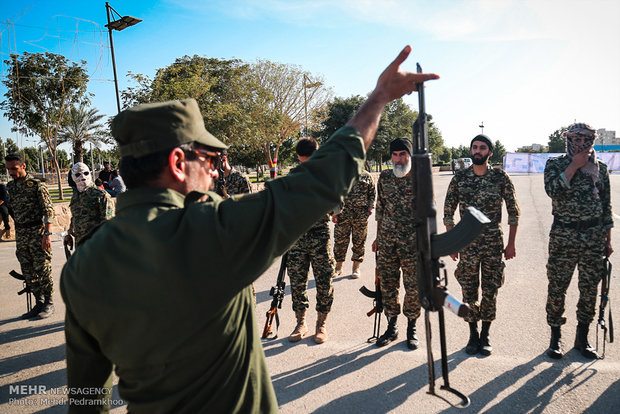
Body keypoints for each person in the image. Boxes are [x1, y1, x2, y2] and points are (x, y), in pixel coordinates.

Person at [60, 46, 439, 412]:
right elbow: (321, 180)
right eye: (208, 158)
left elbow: (86, 394)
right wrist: (379, 98)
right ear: (178, 162)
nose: (214, 170)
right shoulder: (211, 231)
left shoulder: (83, 264)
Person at [443, 135, 519, 356]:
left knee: (490, 289)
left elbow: (514, 211)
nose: (477, 151)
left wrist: (511, 244)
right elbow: (448, 212)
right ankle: (472, 333)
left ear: (490, 152)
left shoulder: (500, 177)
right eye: (474, 147)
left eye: (482, 148)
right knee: (468, 289)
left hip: (493, 243)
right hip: (466, 244)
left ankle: (485, 334)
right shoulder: (460, 178)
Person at [544, 123, 614, 360]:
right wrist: (574, 166)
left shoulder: (601, 169)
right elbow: (553, 190)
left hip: (593, 237)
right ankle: (555, 338)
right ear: (569, 141)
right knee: (557, 287)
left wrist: (608, 240)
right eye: (576, 139)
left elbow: (606, 206)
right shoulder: (555, 165)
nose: (581, 144)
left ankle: (582, 338)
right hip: (563, 235)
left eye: (586, 140)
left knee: (589, 290)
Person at [372, 138, 421, 350]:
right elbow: (380, 208)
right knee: (388, 285)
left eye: (403, 154)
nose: (399, 159)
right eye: (395, 155)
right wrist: (377, 236)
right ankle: (392, 326)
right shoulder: (384, 177)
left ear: (410, 155)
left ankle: (412, 328)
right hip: (388, 240)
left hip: (413, 242)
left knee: (413, 286)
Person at [286, 137, 336, 344]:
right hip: (296, 238)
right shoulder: (291, 177)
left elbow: (335, 208)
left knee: (324, 280)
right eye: (303, 160)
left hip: (319, 236)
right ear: (298, 158)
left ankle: (321, 323)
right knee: (297, 282)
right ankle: (301, 322)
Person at [5, 153, 56, 319]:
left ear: (23, 166)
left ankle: (49, 303)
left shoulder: (36, 186)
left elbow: (48, 211)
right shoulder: (11, 187)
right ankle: (39, 302)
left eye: (14, 168)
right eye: (8, 169)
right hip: (21, 234)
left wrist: (47, 234)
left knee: (42, 268)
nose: (11, 172)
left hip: (37, 232)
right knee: (27, 269)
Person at [333, 168, 375, 278]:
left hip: (360, 215)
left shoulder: (367, 176)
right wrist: (334, 213)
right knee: (340, 241)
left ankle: (356, 267)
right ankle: (338, 267)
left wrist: (369, 210)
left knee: (359, 242)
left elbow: (372, 194)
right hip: (343, 214)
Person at [63, 162, 114, 248]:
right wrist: (70, 234)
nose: (82, 177)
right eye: (78, 174)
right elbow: (75, 217)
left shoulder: (101, 195)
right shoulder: (76, 196)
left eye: (85, 173)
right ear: (73, 177)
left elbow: (107, 222)